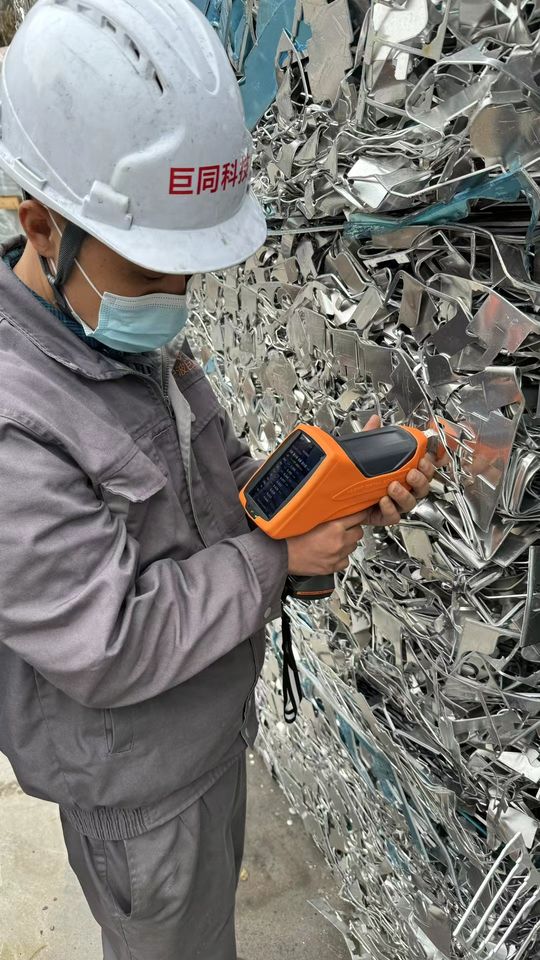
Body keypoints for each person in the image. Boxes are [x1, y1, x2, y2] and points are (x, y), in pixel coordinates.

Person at [0, 2, 439, 958]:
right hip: (140, 796)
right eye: (154, 274)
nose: (175, 302)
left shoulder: (110, 319)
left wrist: (327, 507)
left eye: (187, 274)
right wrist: (277, 562)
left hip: (202, 735)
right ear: (41, 228)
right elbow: (107, 641)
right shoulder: (16, 427)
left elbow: (219, 487)